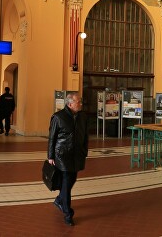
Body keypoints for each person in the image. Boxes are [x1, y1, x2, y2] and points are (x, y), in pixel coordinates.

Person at [47, 91, 89, 226]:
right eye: (78, 102)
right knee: (66, 180)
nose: (81, 104)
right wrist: (50, 156)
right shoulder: (58, 117)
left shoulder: (83, 116)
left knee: (72, 179)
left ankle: (60, 199)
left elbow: (85, 136)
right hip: (62, 155)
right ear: (70, 104)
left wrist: (84, 151)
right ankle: (67, 213)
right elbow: (52, 138)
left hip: (77, 154)